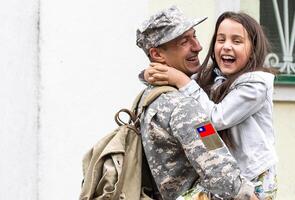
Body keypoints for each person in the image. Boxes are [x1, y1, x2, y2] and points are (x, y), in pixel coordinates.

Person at [143, 11, 278, 199]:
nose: (198, 47)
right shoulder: (203, 86)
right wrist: (151, 74)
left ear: (253, 48)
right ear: (156, 55)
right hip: (234, 180)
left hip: (253, 178)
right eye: (220, 40)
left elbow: (211, 125)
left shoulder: (256, 85)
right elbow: (208, 139)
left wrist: (180, 80)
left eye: (237, 41)